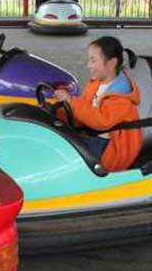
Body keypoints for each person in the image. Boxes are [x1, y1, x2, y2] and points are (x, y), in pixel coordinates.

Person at [54, 36, 141, 172]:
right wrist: (57, 112)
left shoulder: (121, 97)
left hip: (110, 147)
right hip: (93, 134)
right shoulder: (97, 83)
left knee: (69, 160)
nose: (89, 66)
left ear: (111, 63)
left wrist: (71, 101)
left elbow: (100, 121)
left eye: (93, 61)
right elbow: (85, 106)